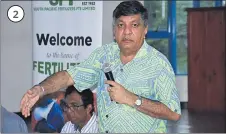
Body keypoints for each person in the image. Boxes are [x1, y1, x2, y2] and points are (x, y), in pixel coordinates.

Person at [20, 0, 181, 133]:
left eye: (134, 25)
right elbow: (69, 76)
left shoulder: (158, 64)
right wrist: (40, 89)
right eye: (121, 25)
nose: (126, 32)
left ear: (145, 30)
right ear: (114, 30)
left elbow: (173, 113)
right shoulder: (103, 55)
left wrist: (133, 99)